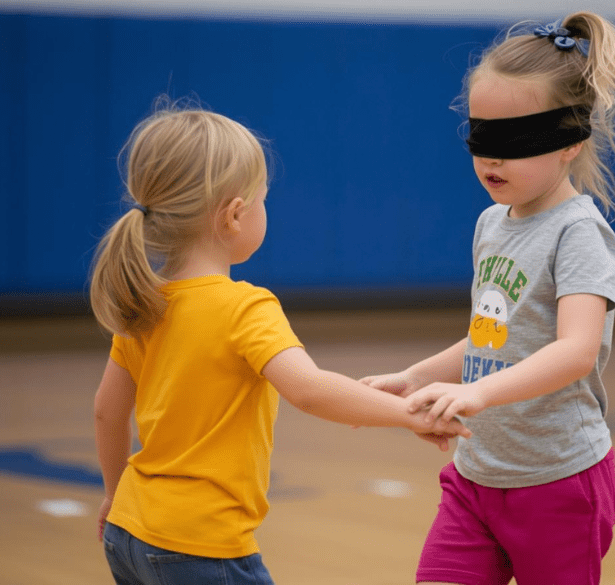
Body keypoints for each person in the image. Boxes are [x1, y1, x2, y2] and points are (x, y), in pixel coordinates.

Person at [89, 100, 471, 585]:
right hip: (202, 549)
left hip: (128, 533)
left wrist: (113, 493)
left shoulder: (143, 304)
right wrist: (409, 413)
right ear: (234, 216)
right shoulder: (245, 308)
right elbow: (308, 390)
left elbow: (107, 410)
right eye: (264, 199)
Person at [361, 11, 615, 585]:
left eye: (514, 142)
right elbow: (495, 336)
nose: (491, 158)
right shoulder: (492, 224)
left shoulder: (580, 233)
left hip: (558, 485)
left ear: (571, 140)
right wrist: (416, 376)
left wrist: (479, 393)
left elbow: (575, 351)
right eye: (480, 137)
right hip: (475, 478)